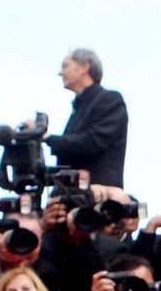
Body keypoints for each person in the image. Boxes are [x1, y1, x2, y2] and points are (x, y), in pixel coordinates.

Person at [47, 48, 129, 188]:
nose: (60, 73)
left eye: (65, 66)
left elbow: (93, 142)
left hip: (99, 195)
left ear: (84, 67)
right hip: (71, 194)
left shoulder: (109, 99)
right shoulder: (78, 109)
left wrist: (48, 138)